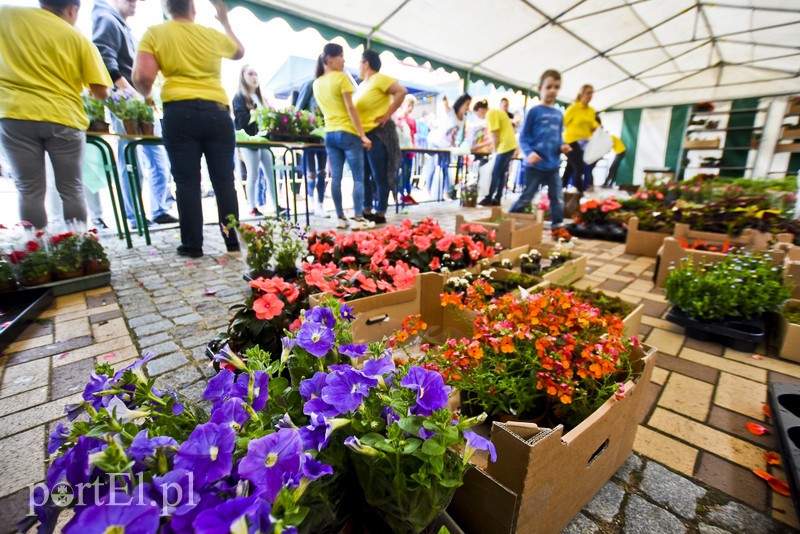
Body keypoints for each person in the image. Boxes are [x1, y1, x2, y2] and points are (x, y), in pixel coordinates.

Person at [132, 0, 244, 258]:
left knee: (187, 182)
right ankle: (232, 241)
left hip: (179, 112)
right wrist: (224, 21)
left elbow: (143, 77)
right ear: (193, 8)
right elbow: (239, 51)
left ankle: (193, 245)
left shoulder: (155, 33)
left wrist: (146, 95)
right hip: (217, 111)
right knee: (224, 180)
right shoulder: (210, 34)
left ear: (168, 8)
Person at [0, 0, 111, 229]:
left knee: (29, 189)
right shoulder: (77, 38)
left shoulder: (7, 14)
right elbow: (101, 92)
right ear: (72, 9)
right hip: (63, 117)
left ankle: (35, 248)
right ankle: (77, 246)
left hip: (15, 114)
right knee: (72, 189)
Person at [93, 0, 178, 229]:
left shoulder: (123, 26)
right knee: (131, 161)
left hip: (143, 102)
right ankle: (135, 216)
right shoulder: (106, 19)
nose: (135, 3)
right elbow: (104, 60)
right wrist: (130, 94)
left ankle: (159, 209)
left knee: (158, 159)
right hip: (126, 104)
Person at [312, 43, 374, 230]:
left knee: (336, 178)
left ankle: (340, 217)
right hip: (348, 133)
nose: (344, 60)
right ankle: (357, 219)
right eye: (341, 56)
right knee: (358, 178)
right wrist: (362, 135)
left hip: (330, 134)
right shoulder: (341, 78)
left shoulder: (316, 83)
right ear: (329, 59)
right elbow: (350, 108)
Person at [510, 69, 572, 231]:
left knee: (557, 197)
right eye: (549, 87)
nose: (552, 90)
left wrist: (562, 146)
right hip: (535, 166)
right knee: (527, 197)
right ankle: (508, 221)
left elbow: (558, 137)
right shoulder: (534, 111)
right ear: (540, 89)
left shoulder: (559, 114)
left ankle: (558, 227)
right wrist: (529, 153)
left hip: (553, 166)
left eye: (556, 87)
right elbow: (523, 137)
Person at [355, 49, 407, 225]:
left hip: (378, 134)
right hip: (363, 135)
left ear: (366, 63)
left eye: (360, 63)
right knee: (364, 176)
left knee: (379, 175)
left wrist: (387, 114)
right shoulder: (362, 85)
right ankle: (366, 209)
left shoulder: (379, 78)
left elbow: (401, 91)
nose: (358, 67)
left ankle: (381, 211)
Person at [232, 65, 279, 217]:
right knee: (253, 174)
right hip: (248, 140)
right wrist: (256, 114)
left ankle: (276, 204)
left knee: (270, 172)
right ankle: (252, 207)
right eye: (250, 74)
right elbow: (241, 120)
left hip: (263, 139)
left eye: (256, 74)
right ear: (243, 77)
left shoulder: (260, 98)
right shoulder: (239, 97)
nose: (254, 77)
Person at [425, 93, 472, 200]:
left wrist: (454, 145)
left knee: (445, 169)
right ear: (461, 103)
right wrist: (445, 99)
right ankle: (428, 191)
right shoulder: (451, 113)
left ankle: (446, 193)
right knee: (432, 168)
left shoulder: (463, 119)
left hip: (446, 147)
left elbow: (454, 135)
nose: (468, 106)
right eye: (467, 104)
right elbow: (446, 105)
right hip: (435, 142)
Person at [474, 100, 518, 206]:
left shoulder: (490, 114)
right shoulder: (496, 112)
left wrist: (495, 149)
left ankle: (489, 198)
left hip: (504, 146)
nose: (478, 117)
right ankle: (498, 197)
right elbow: (494, 135)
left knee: (495, 173)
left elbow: (494, 134)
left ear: (480, 110)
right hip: (510, 145)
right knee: (502, 173)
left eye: (477, 114)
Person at [296, 78, 329, 218]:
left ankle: (320, 205)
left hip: (324, 135)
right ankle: (310, 203)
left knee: (322, 171)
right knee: (311, 172)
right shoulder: (310, 84)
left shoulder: (328, 85)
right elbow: (298, 109)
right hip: (308, 136)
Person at [561, 84, 598, 193]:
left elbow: (592, 125)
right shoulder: (573, 108)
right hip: (571, 141)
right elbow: (563, 123)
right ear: (581, 94)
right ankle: (580, 193)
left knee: (570, 168)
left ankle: (559, 191)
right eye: (588, 93)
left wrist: (597, 127)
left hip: (585, 143)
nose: (590, 95)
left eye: (592, 93)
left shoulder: (591, 110)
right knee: (579, 166)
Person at [395, 94, 418, 205]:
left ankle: (407, 194)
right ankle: (398, 194)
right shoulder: (398, 119)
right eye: (409, 105)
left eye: (412, 106)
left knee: (408, 173)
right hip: (400, 151)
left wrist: (415, 146)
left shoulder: (412, 120)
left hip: (410, 152)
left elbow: (413, 136)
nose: (410, 108)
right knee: (399, 173)